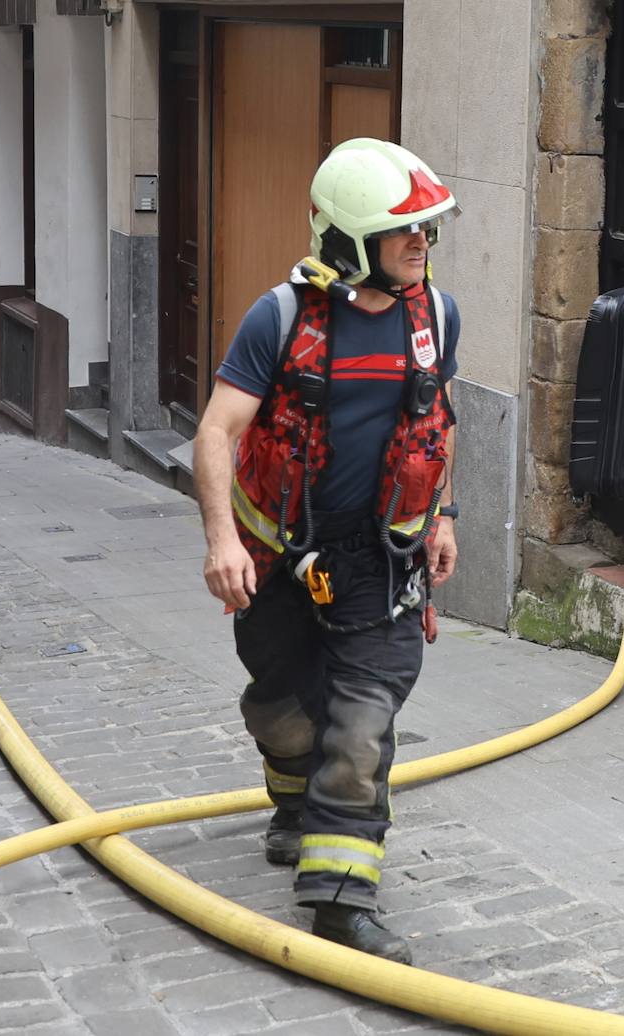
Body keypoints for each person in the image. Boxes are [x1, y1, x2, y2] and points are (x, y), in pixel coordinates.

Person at [193, 138, 462, 965]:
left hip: (380, 566)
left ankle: (341, 899)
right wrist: (221, 540)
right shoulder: (280, 319)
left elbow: (438, 421)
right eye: (403, 231)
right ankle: (290, 800)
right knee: (282, 707)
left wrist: (443, 517)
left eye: (427, 229)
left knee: (363, 723)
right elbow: (217, 430)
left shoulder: (436, 319)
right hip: (278, 562)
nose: (421, 243)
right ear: (348, 241)